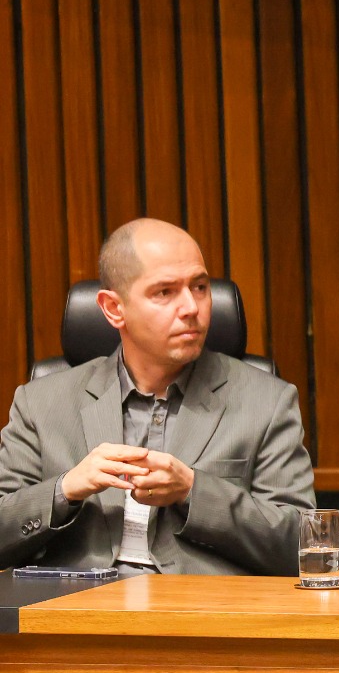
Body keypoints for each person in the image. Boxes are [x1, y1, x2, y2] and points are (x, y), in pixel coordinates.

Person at [0, 219, 315, 575]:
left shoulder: (267, 401)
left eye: (199, 287)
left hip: (200, 616)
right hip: (77, 615)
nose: (191, 308)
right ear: (113, 308)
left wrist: (194, 491)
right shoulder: (41, 403)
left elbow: (302, 547)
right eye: (164, 292)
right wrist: (64, 490)